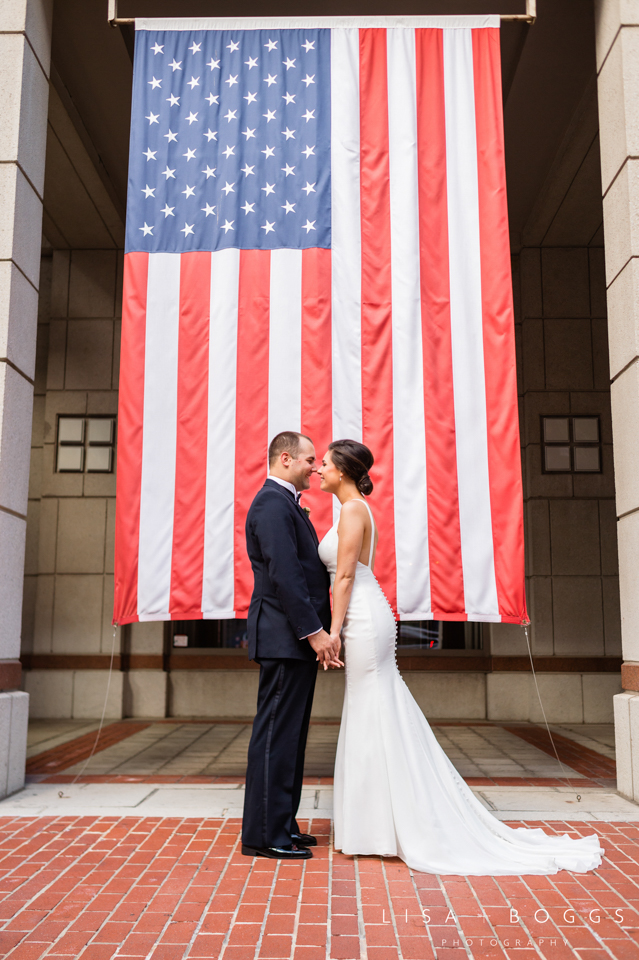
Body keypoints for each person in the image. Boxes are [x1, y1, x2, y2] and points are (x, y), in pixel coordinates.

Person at [317, 439, 604, 875]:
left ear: (343, 470)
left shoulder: (354, 510)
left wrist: (334, 632)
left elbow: (342, 577)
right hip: (362, 613)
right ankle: (375, 824)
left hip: (361, 617)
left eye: (324, 463)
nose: (318, 469)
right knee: (370, 709)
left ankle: (381, 826)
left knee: (371, 707)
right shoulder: (349, 510)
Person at [241, 431, 343, 861]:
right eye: (309, 460)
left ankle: (281, 822)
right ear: (285, 459)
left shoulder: (286, 504)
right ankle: (263, 835)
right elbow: (285, 575)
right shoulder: (270, 504)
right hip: (286, 637)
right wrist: (314, 632)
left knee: (291, 736)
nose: (315, 467)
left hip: (292, 639)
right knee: (275, 737)